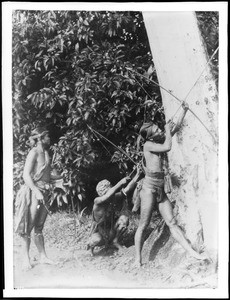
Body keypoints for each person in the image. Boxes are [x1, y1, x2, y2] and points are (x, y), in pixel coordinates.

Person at [134, 101, 208, 267]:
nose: (160, 130)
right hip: (148, 189)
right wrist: (167, 130)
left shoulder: (158, 140)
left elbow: (174, 129)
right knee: (143, 224)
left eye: (159, 129)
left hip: (160, 188)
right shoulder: (148, 145)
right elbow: (168, 146)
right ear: (150, 136)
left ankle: (192, 253)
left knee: (172, 222)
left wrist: (184, 110)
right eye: (157, 130)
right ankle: (137, 260)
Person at [14, 127, 63, 270]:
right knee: (28, 226)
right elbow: (26, 176)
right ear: (41, 138)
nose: (50, 139)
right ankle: (25, 259)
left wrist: (61, 176)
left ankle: (42, 256)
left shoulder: (46, 153)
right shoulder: (33, 153)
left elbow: (47, 175)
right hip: (34, 193)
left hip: (46, 192)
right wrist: (36, 191)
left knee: (39, 227)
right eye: (47, 137)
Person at [87, 167, 142, 256]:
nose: (112, 191)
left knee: (124, 219)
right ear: (104, 192)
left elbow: (127, 189)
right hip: (99, 234)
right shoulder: (97, 202)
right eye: (110, 189)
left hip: (111, 231)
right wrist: (120, 182)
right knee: (96, 239)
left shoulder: (113, 198)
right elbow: (107, 196)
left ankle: (115, 241)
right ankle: (90, 245)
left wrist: (137, 174)